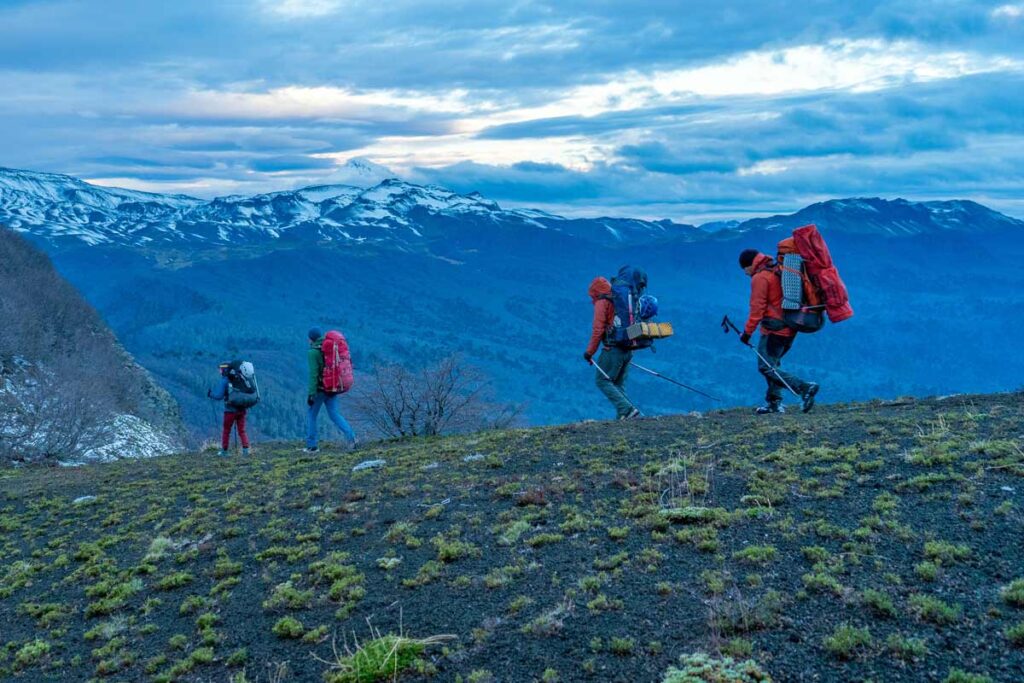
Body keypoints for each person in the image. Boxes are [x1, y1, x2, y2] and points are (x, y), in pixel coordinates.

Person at [738, 249, 819, 414]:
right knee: (772, 365)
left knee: (765, 367)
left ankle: (804, 387)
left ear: (748, 265)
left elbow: (757, 310)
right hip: (791, 326)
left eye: (744, 269)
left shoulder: (760, 278)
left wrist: (747, 333)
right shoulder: (776, 268)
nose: (745, 274)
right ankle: (774, 404)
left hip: (774, 330)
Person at [584, 276, 640, 420]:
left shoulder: (602, 302)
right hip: (628, 348)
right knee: (618, 385)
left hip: (613, 349)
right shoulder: (620, 300)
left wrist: (589, 352)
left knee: (602, 380)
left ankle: (627, 410)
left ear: (595, 292)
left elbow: (598, 330)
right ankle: (624, 417)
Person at [305, 327, 357, 452]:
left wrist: (311, 394)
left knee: (311, 416)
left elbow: (314, 374)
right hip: (332, 387)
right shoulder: (329, 346)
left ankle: (312, 446)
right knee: (334, 414)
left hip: (320, 389)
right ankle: (352, 437)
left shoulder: (313, 352)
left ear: (310, 339)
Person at [207, 361, 251, 456]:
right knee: (242, 430)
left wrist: (211, 395)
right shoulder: (239, 378)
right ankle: (246, 450)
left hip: (230, 411)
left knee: (226, 430)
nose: (219, 371)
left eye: (220, 370)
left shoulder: (225, 380)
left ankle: (224, 451)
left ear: (224, 370)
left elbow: (219, 396)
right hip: (241, 409)